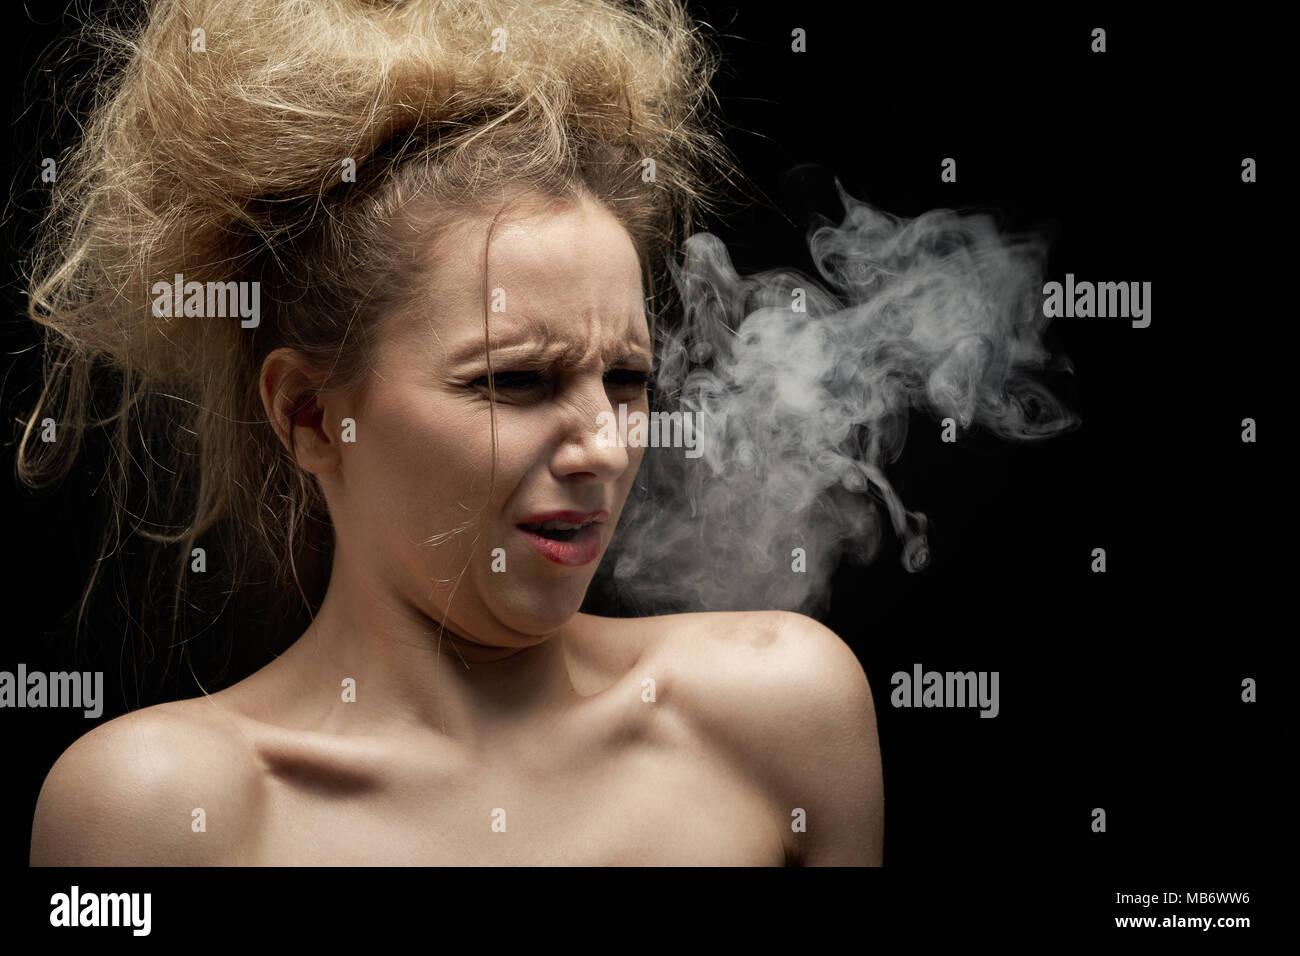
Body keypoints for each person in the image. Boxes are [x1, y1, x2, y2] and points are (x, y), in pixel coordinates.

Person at [22, 0, 883, 865]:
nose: (608, 447)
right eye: (515, 381)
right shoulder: (160, 812)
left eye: (625, 379)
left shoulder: (781, 714)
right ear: (311, 415)